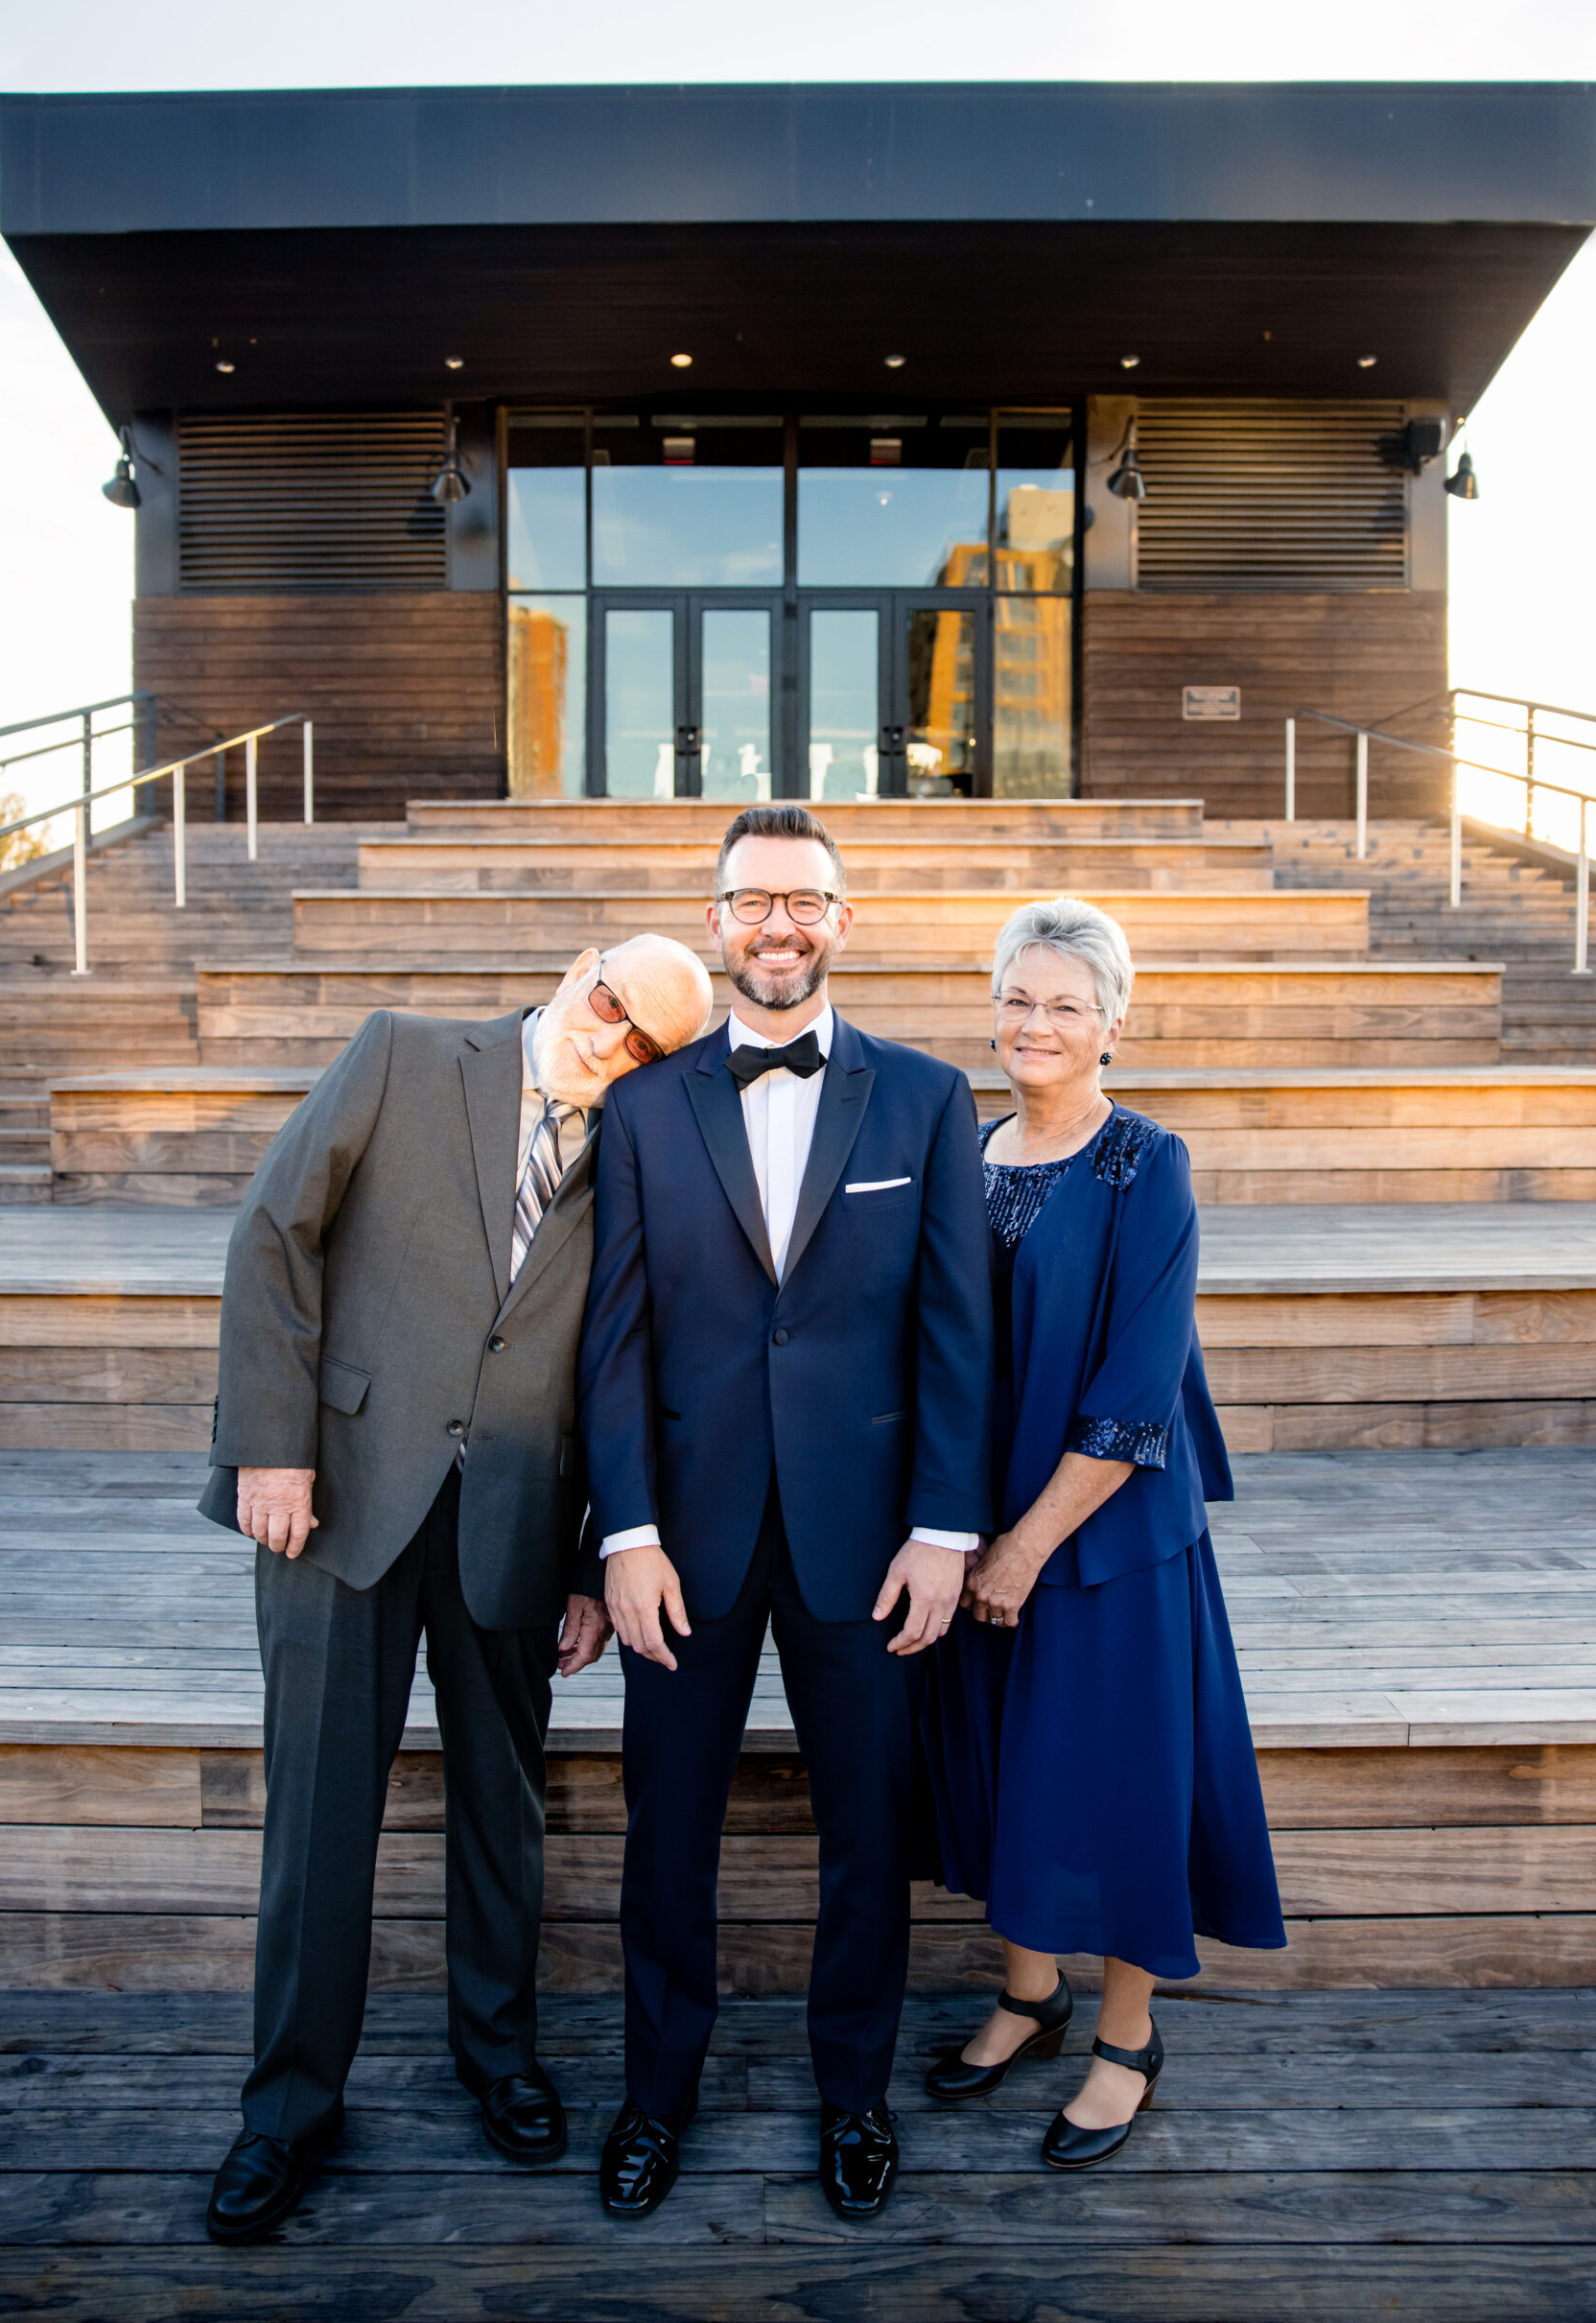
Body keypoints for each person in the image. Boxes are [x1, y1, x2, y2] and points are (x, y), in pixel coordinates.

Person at [198, 936, 715, 2245]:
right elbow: (276, 1234)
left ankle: (501, 2058)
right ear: (580, 965)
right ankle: (288, 2110)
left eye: (649, 1043)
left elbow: (631, 1365)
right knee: (317, 1815)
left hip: (517, 1528)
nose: (616, 1042)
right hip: (340, 1500)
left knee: (503, 1809)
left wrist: (605, 1546)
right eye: (613, 1007)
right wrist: (273, 1441)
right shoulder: (403, 1050)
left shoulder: (642, 1156)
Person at [578, 805, 995, 2224]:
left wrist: (947, 1528)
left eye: (806, 901)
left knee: (869, 1834)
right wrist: (622, 1535)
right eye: (753, 901)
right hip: (682, 1545)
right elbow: (614, 1342)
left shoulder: (931, 1101)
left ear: (844, 920)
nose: (779, 924)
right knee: (665, 1833)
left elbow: (956, 1334)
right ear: (717, 920)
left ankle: (856, 2097)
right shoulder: (640, 1110)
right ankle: (656, 2095)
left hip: (868, 1542)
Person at [922, 897, 1284, 2170]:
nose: (1036, 1023)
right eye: (1018, 998)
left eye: (1065, 1003)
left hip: (1108, 1535)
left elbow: (1139, 1393)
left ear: (1112, 1023)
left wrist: (1023, 1546)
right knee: (1003, 1762)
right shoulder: (959, 1153)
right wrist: (951, 1532)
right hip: (973, 1526)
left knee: (1124, 1780)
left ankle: (1126, 2037)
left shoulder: (1146, 1163)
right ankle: (1030, 1991)